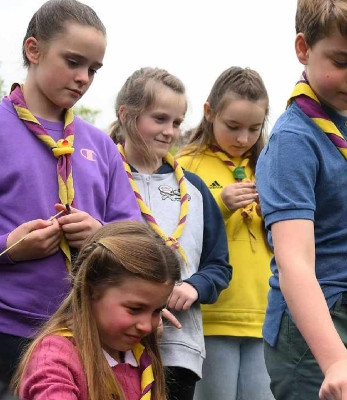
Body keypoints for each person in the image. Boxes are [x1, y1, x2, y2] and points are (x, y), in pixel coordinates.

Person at [255, 0, 347, 398]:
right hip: (318, 330)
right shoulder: (294, 140)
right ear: (304, 49)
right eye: (342, 61)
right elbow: (294, 262)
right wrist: (334, 360)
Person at [0, 0, 141, 385]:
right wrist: (10, 247)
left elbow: (135, 238)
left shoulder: (101, 145)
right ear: (34, 50)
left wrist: (101, 236)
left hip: (81, 334)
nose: (83, 78)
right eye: (73, 62)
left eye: (93, 69)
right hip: (6, 328)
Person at [109, 67, 232, 400]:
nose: (169, 131)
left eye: (176, 122)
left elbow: (219, 265)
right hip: (113, 344)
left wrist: (194, 286)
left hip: (178, 346)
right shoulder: (104, 176)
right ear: (126, 115)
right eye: (160, 119)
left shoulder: (195, 189)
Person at [176, 66, 274, 400]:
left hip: (263, 313)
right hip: (211, 313)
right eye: (233, 126)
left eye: (254, 128)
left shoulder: (268, 164)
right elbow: (174, 229)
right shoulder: (186, 164)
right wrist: (219, 203)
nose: (243, 138)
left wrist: (273, 215)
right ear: (209, 112)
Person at [13, 221, 181, 400]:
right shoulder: (55, 358)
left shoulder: (139, 356)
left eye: (157, 311)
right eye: (135, 309)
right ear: (90, 291)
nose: (146, 326)